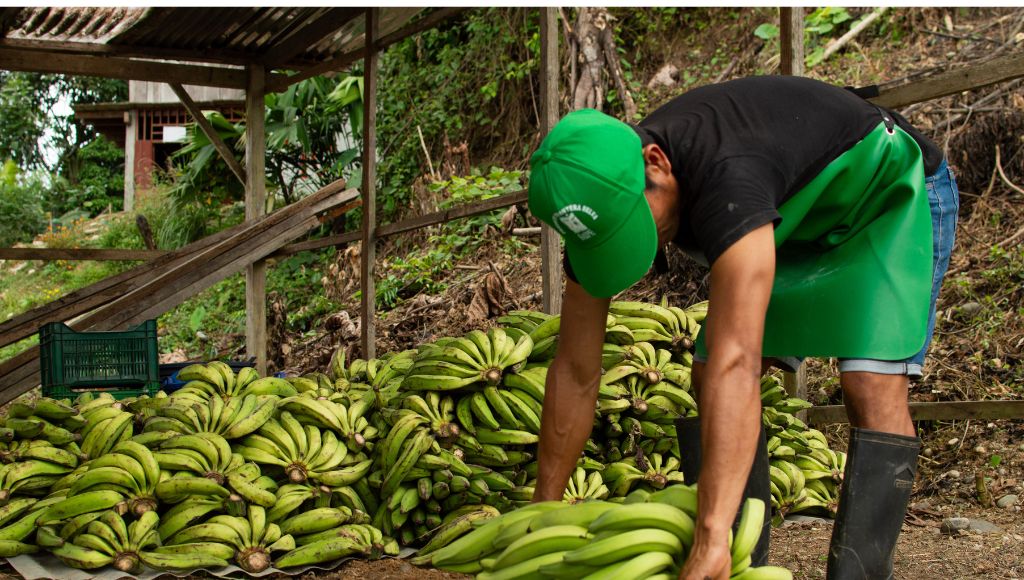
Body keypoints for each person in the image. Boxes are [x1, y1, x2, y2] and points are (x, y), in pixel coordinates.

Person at [526, 75, 959, 580]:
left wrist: (710, 532)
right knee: (707, 375)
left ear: (656, 163)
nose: (639, 245)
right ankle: (736, 564)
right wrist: (541, 516)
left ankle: (838, 573)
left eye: (635, 225)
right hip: (790, 221)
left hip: (885, 199)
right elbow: (576, 370)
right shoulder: (595, 204)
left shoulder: (728, 173)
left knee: (868, 383)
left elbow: (739, 362)